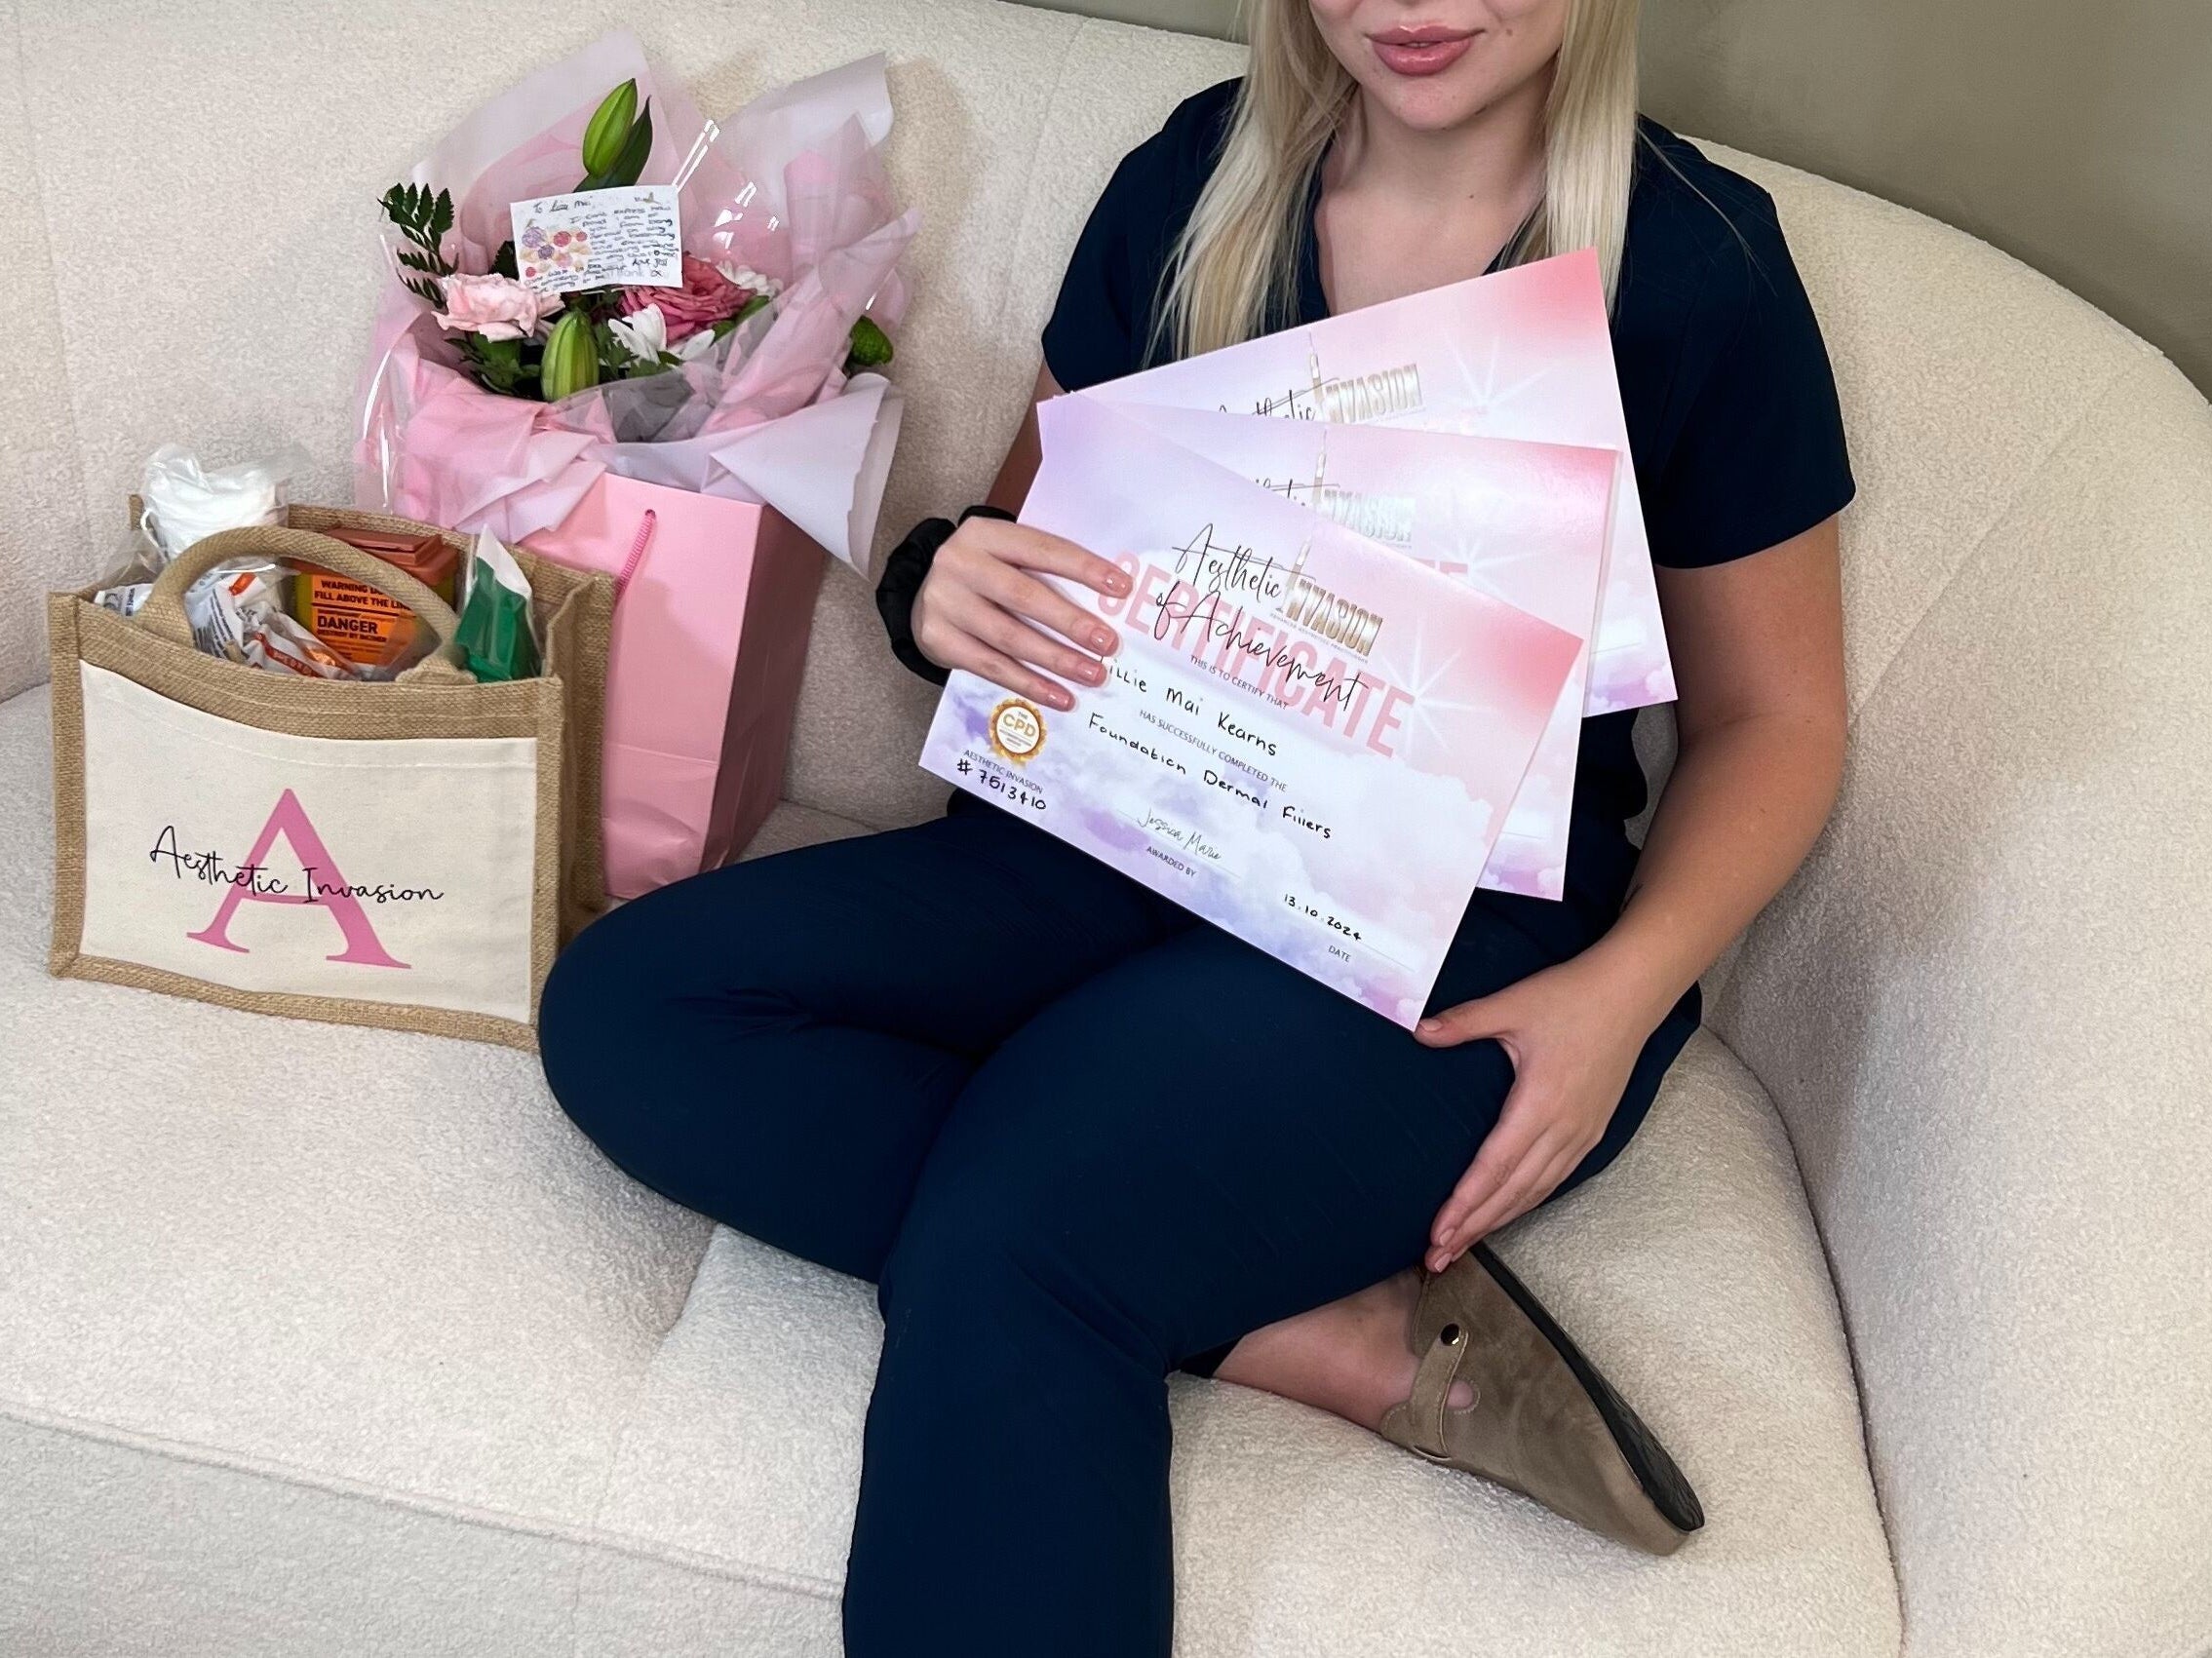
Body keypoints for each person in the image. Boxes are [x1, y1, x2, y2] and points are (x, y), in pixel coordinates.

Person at [538, 0, 1852, 1650]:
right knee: (630, 1005)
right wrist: (936, 579)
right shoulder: (1195, 178)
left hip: (1443, 931)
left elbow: (1774, 723)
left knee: (1027, 1231)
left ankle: (1147, 1260)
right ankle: (1298, 1322)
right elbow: (1030, 542)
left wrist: (1624, 994)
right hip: (1111, 834)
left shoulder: (1696, 266)